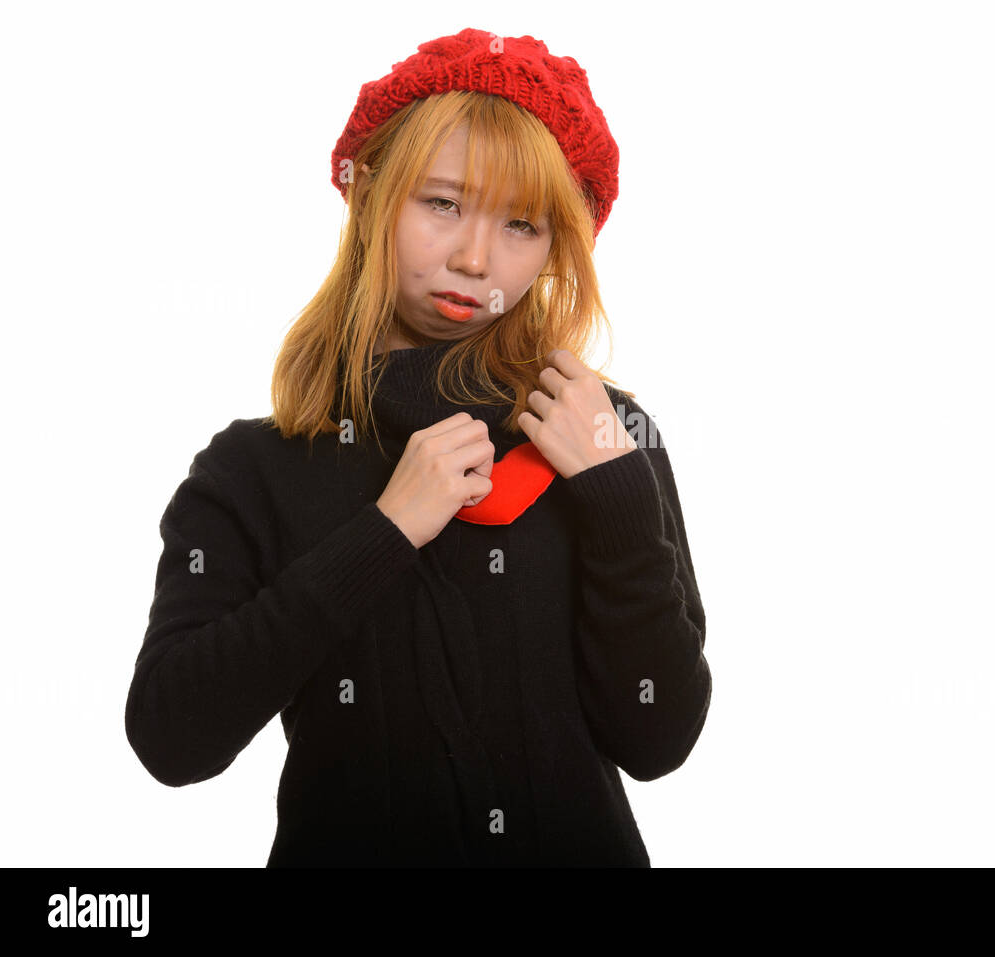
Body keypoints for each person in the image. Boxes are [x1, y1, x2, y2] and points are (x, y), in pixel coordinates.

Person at [125, 28, 712, 867]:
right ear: (370, 197)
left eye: (521, 223)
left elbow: (659, 738)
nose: (475, 258)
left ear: (556, 247)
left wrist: (618, 498)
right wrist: (386, 530)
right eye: (442, 203)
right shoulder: (253, 468)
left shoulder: (605, 434)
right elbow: (171, 738)